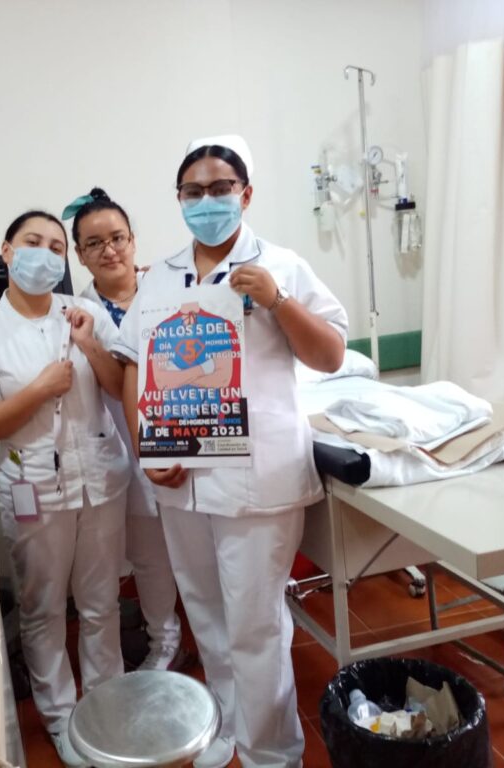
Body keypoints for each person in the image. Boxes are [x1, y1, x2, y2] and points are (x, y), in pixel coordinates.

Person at [114, 136, 348, 768]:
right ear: (179, 199)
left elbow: (330, 354)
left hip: (257, 476)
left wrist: (276, 301)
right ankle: (227, 729)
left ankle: (272, 753)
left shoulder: (281, 266)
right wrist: (148, 449)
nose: (207, 201)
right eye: (194, 192)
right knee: (208, 616)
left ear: (245, 195)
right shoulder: (161, 276)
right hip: (179, 476)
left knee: (254, 624)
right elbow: (135, 364)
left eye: (221, 189)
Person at [0, 210, 130, 768]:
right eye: (33, 242)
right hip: (32, 485)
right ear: (7, 251)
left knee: (102, 602)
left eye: (57, 247)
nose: (46, 254)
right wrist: (38, 389)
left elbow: (118, 388)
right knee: (43, 607)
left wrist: (90, 344)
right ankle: (59, 715)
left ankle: (106, 705)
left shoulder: (84, 313)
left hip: (98, 478)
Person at [63, 187, 185, 671]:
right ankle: (165, 643)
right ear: (80, 255)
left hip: (186, 438)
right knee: (150, 558)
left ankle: (214, 640)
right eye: (94, 243)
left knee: (202, 551)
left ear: (133, 240)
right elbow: (115, 388)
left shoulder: (170, 290)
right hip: (122, 449)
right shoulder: (76, 312)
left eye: (117, 238)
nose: (109, 250)